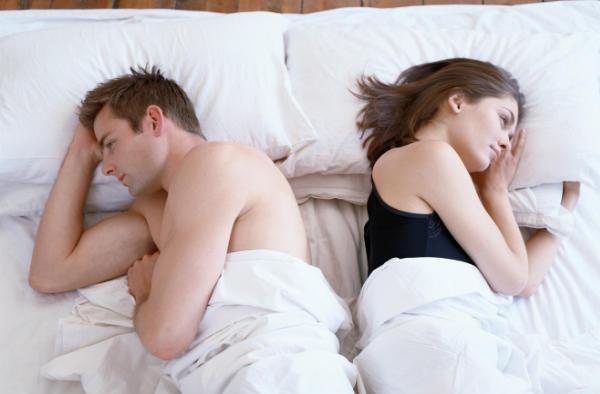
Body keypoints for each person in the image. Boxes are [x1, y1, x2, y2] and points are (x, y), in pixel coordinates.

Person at [28, 66, 311, 359]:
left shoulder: (219, 162)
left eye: (111, 144)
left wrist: (146, 295)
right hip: (230, 367)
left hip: (276, 357)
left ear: (153, 120)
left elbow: (166, 337)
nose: (107, 167)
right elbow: (49, 274)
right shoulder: (156, 208)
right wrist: (80, 155)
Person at [355, 57, 579, 297]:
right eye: (503, 120)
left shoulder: (429, 171)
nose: (506, 143)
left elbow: (524, 283)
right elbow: (512, 280)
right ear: (458, 101)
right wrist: (495, 192)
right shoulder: (431, 157)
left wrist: (567, 205)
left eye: (511, 136)